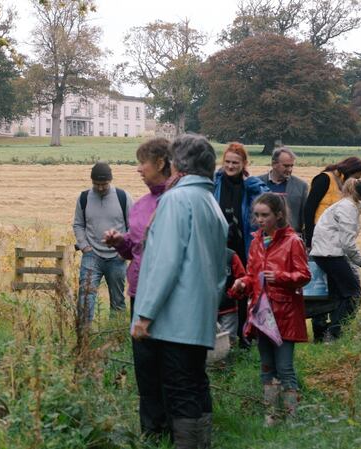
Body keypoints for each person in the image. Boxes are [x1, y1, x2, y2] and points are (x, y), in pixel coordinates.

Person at [132, 133, 228, 449]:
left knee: (180, 390)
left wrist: (145, 315)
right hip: (199, 316)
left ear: (177, 165)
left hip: (174, 320)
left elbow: (165, 262)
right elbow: (221, 270)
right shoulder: (210, 202)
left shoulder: (176, 200)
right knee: (197, 385)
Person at [102, 138, 172, 441]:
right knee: (145, 365)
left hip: (169, 296)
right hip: (138, 292)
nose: (138, 169)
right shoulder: (141, 204)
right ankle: (151, 432)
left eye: (143, 162)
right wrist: (120, 242)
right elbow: (134, 249)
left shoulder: (177, 200)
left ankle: (176, 429)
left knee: (170, 364)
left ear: (161, 163)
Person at [232, 193, 311, 426]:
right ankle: (271, 417)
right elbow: (251, 275)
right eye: (256, 215)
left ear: (278, 215)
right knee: (266, 367)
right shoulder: (256, 242)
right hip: (261, 313)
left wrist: (280, 276)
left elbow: (304, 275)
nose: (260, 220)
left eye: (265, 215)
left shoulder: (293, 241)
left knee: (285, 367)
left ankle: (292, 418)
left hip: (285, 313)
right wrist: (242, 283)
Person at [302, 156, 361, 341]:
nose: (356, 181)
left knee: (334, 288)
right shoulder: (324, 179)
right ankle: (322, 332)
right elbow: (309, 208)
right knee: (320, 288)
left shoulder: (345, 186)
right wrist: (310, 241)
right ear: (349, 170)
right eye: (356, 176)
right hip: (319, 243)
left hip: (335, 244)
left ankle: (333, 330)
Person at [213, 142, 269, 347]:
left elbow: (266, 203)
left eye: (235, 162)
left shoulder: (251, 186)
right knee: (220, 289)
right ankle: (218, 337)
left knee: (244, 288)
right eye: (227, 161)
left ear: (244, 163)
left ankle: (244, 335)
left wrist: (254, 186)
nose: (230, 166)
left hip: (243, 244)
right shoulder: (214, 183)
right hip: (219, 246)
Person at [309, 178, 361, 340]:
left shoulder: (346, 206)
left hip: (326, 253)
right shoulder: (348, 208)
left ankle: (323, 333)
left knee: (337, 296)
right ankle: (334, 334)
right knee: (354, 294)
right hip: (331, 255)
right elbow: (348, 243)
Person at [73, 161, 133, 327]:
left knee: (118, 300)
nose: (100, 188)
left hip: (117, 258)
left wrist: (123, 251)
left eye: (104, 184)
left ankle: (116, 335)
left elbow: (133, 227)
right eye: (96, 184)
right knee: (85, 297)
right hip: (91, 256)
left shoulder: (123, 197)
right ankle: (84, 336)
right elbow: (78, 224)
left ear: (110, 180)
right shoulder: (84, 198)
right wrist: (85, 246)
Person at [257, 147, 309, 236]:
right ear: (274, 164)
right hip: (262, 237)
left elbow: (306, 217)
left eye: (291, 166)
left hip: (290, 238)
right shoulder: (257, 183)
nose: (289, 169)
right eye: (286, 166)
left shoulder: (301, 186)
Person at [217, 248, 246, 344]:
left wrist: (231, 294)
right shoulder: (200, 255)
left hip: (228, 308)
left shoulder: (231, 256)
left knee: (229, 342)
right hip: (206, 310)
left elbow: (242, 278)